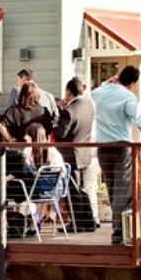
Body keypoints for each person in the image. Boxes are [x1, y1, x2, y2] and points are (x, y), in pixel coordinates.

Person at [93, 64, 141, 244]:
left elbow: (91, 94)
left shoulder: (100, 93)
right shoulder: (128, 97)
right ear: (133, 83)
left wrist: (104, 83)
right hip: (122, 148)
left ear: (118, 77)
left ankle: (119, 229)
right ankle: (118, 234)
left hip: (102, 148)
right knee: (122, 192)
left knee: (112, 190)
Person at [62, 77, 99, 219]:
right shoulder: (89, 104)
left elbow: (62, 132)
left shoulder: (69, 110)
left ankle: (78, 221)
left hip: (72, 154)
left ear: (68, 91)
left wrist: (56, 124)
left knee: (74, 190)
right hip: (87, 151)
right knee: (86, 190)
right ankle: (89, 219)